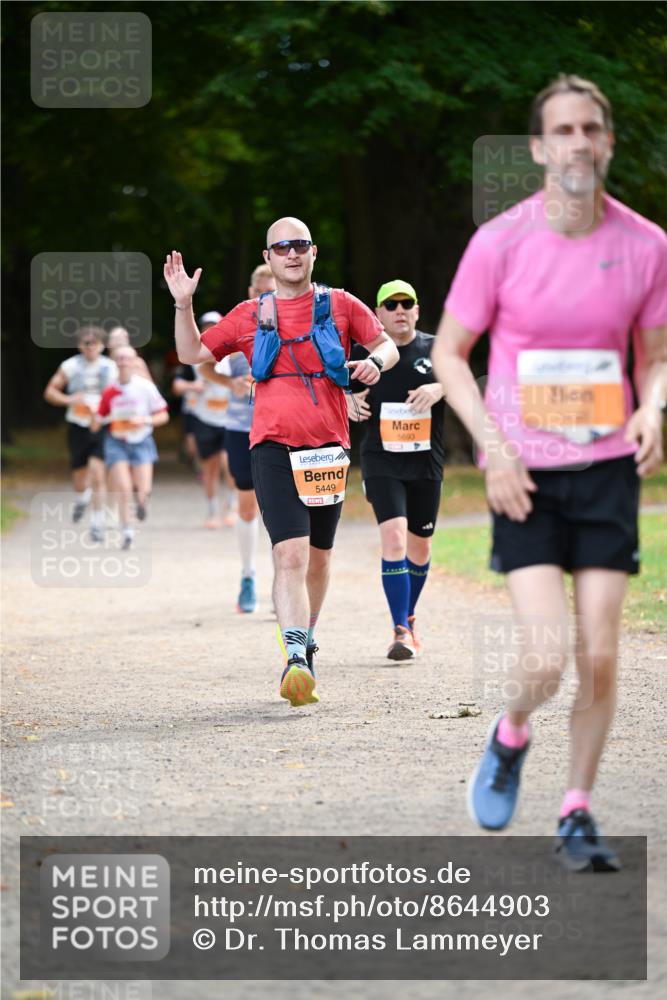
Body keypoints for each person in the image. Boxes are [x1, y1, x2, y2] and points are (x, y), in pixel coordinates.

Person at [432, 74, 667, 870]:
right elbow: (446, 356)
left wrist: (652, 406)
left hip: (605, 468)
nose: (576, 143)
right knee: (544, 658)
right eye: (560, 131)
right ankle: (510, 733)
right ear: (537, 147)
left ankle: (575, 810)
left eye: (589, 129)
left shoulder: (646, 245)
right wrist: (492, 449)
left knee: (600, 653)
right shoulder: (499, 242)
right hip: (522, 473)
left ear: (606, 141)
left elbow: (657, 354)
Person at [164, 217, 399, 706]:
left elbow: (387, 345)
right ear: (268, 258)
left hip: (329, 447)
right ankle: (294, 656)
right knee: (288, 553)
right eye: (281, 248)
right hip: (270, 446)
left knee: (319, 557)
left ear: (313, 252)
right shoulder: (250, 314)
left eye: (299, 246)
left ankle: (306, 636)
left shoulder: (341, 304)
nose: (291, 254)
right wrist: (183, 303)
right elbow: (190, 353)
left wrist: (374, 363)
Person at [347, 279, 445, 660]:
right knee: (394, 539)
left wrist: (439, 389)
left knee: (420, 547)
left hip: (425, 461)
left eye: (407, 303)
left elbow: (465, 381)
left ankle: (410, 614)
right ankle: (400, 631)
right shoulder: (362, 353)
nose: (400, 310)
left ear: (417, 310)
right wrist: (348, 401)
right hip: (380, 459)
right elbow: (327, 386)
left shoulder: (435, 349)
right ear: (378, 315)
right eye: (391, 305)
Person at [197, 266, 278, 613]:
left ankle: (284, 583)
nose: (265, 300)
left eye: (271, 293)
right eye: (259, 293)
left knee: (280, 509)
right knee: (246, 507)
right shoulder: (237, 331)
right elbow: (201, 363)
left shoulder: (294, 329)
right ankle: (248, 576)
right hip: (240, 430)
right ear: (250, 292)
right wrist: (228, 383)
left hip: (280, 430)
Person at [43, 326, 117, 542]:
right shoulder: (70, 366)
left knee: (97, 473)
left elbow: (121, 394)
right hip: (77, 424)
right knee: (80, 479)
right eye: (86, 343)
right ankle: (83, 497)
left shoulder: (110, 367)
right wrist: (69, 399)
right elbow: (50, 392)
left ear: (102, 345)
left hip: (102, 425)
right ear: (79, 346)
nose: (90, 347)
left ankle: (97, 524)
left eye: (94, 343)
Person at [92, 346, 169, 550]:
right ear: (115, 362)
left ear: (135, 361)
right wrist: (95, 418)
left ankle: (142, 504)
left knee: (143, 490)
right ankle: (127, 532)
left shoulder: (145, 387)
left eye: (127, 358)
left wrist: (143, 420)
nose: (123, 361)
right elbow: (98, 419)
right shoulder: (110, 391)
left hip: (142, 441)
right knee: (123, 487)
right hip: (116, 442)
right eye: (119, 358)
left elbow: (163, 415)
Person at [173, 312, 238, 529]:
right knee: (209, 468)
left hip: (230, 419)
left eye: (215, 326)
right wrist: (193, 387)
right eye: (206, 326)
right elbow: (176, 386)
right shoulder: (193, 358)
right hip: (204, 419)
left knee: (230, 466)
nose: (210, 330)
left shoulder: (233, 356)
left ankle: (230, 507)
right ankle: (211, 511)